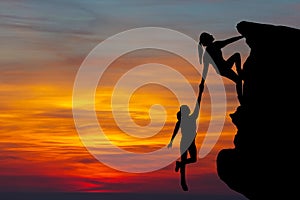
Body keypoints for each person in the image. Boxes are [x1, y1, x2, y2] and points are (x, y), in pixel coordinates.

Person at [167, 83, 204, 191]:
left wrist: (200, 91)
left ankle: (180, 165)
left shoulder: (190, 118)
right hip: (187, 141)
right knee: (190, 160)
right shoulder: (188, 119)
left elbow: (198, 103)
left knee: (193, 159)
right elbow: (175, 131)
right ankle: (183, 182)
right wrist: (171, 141)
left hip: (188, 141)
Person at [198, 32, 244, 104]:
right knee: (238, 79)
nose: (211, 35)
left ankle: (241, 99)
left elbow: (229, 41)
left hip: (224, 67)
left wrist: (242, 36)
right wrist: (202, 83)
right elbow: (205, 71)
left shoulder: (212, 49)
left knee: (238, 80)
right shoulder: (212, 49)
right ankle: (241, 98)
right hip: (223, 68)